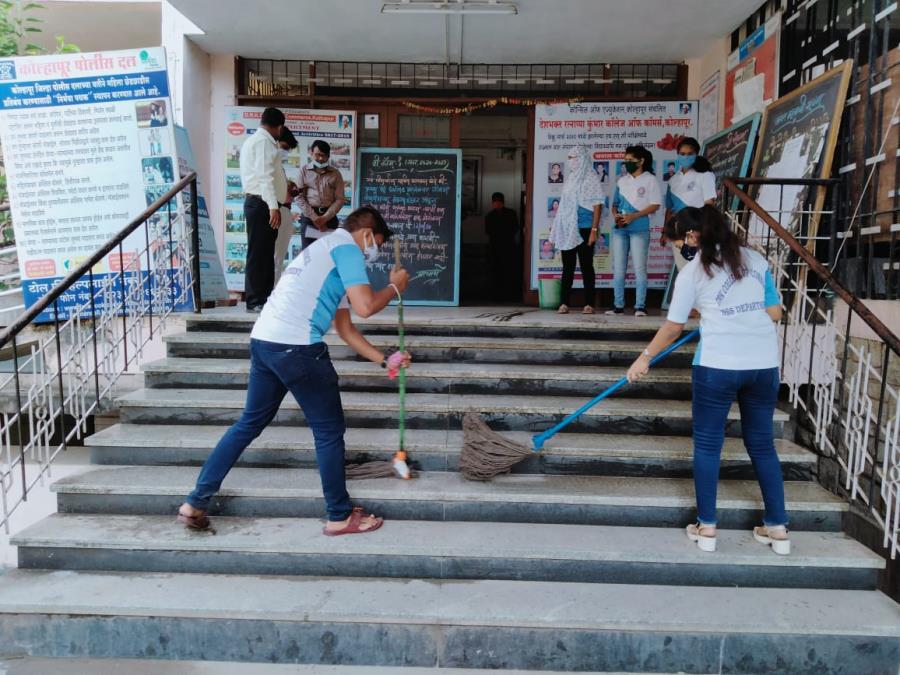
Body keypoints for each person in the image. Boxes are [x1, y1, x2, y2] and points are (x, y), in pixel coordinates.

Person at [177, 206, 411, 537]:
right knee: (329, 430)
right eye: (377, 244)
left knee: (249, 423)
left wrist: (384, 360)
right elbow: (366, 307)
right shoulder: (347, 248)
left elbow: (346, 329)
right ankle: (340, 515)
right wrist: (397, 287)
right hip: (297, 347)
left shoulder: (321, 251)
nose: (374, 253)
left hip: (265, 343)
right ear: (368, 233)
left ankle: (195, 502)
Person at [626, 205, 789, 556]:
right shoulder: (755, 260)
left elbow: (673, 326)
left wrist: (644, 358)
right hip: (762, 365)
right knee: (762, 444)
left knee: (708, 445)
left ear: (693, 236)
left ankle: (708, 527)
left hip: (717, 366)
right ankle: (777, 527)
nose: (678, 246)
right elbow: (775, 311)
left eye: (679, 238)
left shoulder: (693, 271)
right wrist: (739, 308)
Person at [240, 107, 287, 312]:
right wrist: (273, 206)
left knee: (265, 253)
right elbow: (264, 176)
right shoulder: (263, 142)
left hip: (261, 203)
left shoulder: (259, 141)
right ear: (279, 126)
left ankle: (264, 298)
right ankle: (256, 300)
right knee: (259, 254)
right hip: (262, 204)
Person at [549, 146, 604, 315]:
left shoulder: (591, 177)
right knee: (568, 267)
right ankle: (564, 302)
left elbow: (597, 205)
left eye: (572, 157)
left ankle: (589, 303)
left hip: (586, 227)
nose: (570, 160)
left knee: (587, 266)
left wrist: (594, 230)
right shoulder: (571, 178)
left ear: (581, 158)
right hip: (568, 228)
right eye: (569, 157)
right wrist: (558, 227)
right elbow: (564, 206)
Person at [608, 145, 661, 317]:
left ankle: (640, 306)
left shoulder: (650, 180)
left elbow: (655, 204)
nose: (627, 163)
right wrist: (616, 215)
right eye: (626, 160)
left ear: (641, 161)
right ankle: (618, 305)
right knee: (619, 268)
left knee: (639, 268)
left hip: (639, 229)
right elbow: (614, 204)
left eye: (630, 160)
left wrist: (634, 216)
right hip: (620, 229)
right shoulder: (622, 181)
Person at [662, 137, 717, 272]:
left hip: (697, 231)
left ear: (697, 154)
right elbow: (669, 209)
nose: (686, 157)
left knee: (700, 270)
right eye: (682, 154)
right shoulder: (673, 180)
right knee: (683, 270)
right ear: (678, 155)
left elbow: (710, 204)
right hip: (677, 230)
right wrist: (665, 232)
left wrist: (702, 231)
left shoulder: (705, 175)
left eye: (690, 154)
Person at [297, 140, 346, 249]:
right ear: (311, 153)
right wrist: (315, 218)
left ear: (328, 156)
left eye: (324, 156)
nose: (320, 158)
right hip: (309, 219)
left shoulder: (336, 174)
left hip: (330, 219)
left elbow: (340, 199)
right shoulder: (303, 171)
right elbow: (299, 197)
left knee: (328, 255)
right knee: (308, 255)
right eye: (317, 155)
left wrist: (324, 218)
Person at [274, 127, 299, 285]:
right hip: (275, 211)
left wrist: (289, 186)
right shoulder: (268, 162)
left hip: (285, 210)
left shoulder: (279, 166)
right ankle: (268, 292)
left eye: (287, 150)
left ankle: (274, 289)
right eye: (283, 147)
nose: (285, 152)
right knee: (273, 255)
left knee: (279, 257)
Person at [485, 192, 520, 301]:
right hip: (494, 248)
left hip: (508, 247)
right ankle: (496, 296)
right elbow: (488, 231)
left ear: (502, 202)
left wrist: (503, 234)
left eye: (498, 202)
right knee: (495, 271)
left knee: (508, 271)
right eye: (494, 202)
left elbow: (515, 228)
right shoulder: (489, 216)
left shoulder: (511, 213)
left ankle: (509, 295)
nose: (496, 204)